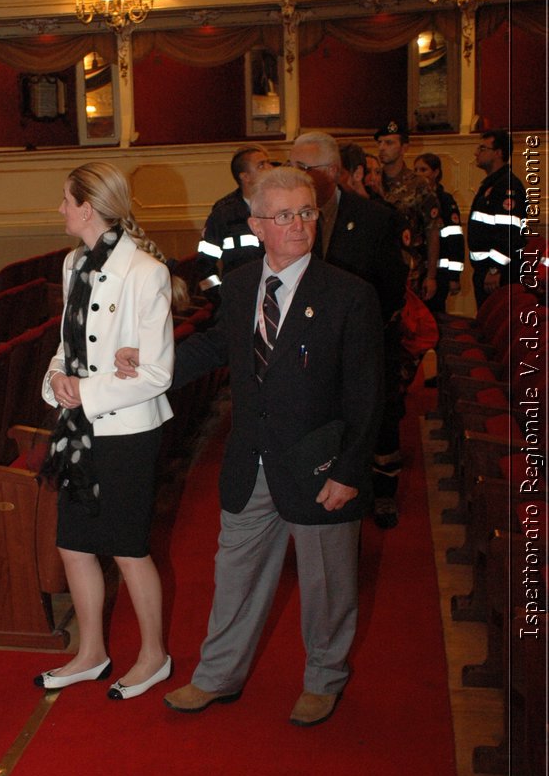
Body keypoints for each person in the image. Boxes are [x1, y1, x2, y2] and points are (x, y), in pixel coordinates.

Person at [117, 168, 383, 725]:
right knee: (234, 576)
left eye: (307, 212)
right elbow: (218, 347)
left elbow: (367, 394)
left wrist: (350, 470)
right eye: (284, 215)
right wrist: (148, 363)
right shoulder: (239, 286)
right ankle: (217, 676)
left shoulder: (349, 295)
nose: (299, 225)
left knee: (327, 585)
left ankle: (324, 679)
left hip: (320, 464)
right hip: (251, 460)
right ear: (258, 224)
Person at [35, 162, 177, 701]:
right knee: (73, 545)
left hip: (127, 431)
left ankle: (154, 656)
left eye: (65, 200)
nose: (61, 209)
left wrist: (86, 392)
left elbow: (158, 372)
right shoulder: (74, 263)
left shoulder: (145, 271)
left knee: (127, 547)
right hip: (76, 428)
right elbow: (66, 345)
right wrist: (56, 380)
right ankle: (91, 652)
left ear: (87, 206)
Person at [289, 131, 408, 529]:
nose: (296, 175)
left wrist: (356, 330)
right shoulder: (288, 219)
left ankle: (383, 492)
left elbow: (392, 287)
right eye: (291, 166)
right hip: (309, 353)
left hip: (366, 343)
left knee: (378, 418)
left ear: (333, 171)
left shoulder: (376, 218)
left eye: (305, 168)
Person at [193, 145, 272, 298]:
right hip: (239, 300)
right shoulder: (223, 213)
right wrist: (219, 297)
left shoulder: (279, 206)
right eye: (261, 165)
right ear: (245, 177)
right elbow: (204, 265)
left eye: (268, 162)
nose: (270, 168)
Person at [375, 120, 441, 303]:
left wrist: (431, 276)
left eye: (389, 143)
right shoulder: (371, 180)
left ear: (404, 148)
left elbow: (432, 230)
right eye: (379, 143)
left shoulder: (418, 184)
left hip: (409, 271)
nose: (382, 148)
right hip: (377, 269)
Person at [469, 129, 527, 308]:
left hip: (499, 273)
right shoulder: (492, 184)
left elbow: (508, 232)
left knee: (495, 325)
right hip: (485, 269)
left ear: (498, 153)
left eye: (482, 148)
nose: (476, 153)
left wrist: (495, 269)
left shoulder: (507, 187)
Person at [413, 153, 465, 314]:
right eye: (416, 170)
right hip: (418, 269)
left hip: (439, 272)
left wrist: (454, 277)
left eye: (424, 170)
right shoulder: (413, 200)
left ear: (436, 173)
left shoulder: (445, 201)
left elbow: (455, 239)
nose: (419, 174)